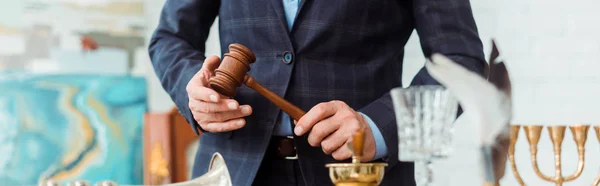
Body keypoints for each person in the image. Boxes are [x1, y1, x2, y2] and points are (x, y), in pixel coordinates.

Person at [149, 0, 486, 185]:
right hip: (230, 172)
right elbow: (169, 38)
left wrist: (378, 127)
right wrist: (192, 89)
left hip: (358, 175)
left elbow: (462, 61)